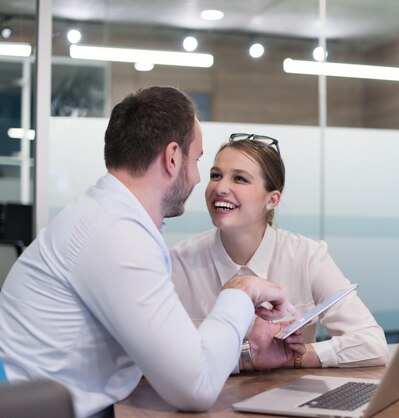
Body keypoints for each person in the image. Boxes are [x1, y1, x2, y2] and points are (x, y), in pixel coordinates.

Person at [0, 87, 303, 418]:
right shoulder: (116, 235)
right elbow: (195, 389)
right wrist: (241, 290)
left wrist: (247, 354)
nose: (200, 178)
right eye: (198, 160)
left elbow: (176, 359)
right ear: (172, 157)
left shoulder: (110, 219)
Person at [170, 133, 388, 370]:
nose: (220, 187)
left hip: (291, 397)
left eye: (240, 179)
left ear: (272, 200)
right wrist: (249, 358)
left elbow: (372, 343)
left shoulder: (307, 256)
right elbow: (160, 358)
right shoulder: (179, 262)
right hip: (205, 403)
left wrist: (295, 357)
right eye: (216, 175)